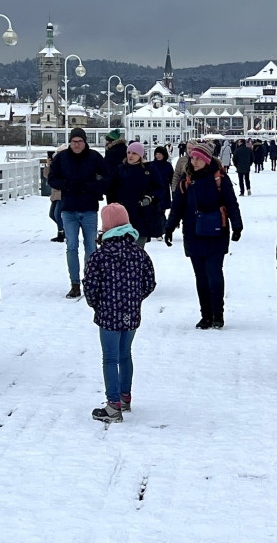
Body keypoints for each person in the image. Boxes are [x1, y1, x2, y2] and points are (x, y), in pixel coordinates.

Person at [84, 203, 156, 423]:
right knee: (125, 355)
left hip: (108, 315)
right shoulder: (139, 253)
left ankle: (113, 405)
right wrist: (135, 299)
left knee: (110, 358)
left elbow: (90, 286)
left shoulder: (100, 256)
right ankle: (125, 397)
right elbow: (149, 283)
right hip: (131, 313)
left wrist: (96, 304)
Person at [165, 140, 243, 329]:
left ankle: (218, 314)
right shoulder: (186, 180)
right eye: (192, 158)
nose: (194, 161)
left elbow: (231, 202)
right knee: (201, 277)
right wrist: (169, 227)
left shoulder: (219, 178)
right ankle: (206, 315)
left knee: (214, 275)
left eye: (198, 158)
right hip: (193, 232)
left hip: (217, 232)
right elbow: (177, 206)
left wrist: (237, 225)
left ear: (207, 159)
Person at [48, 127, 108, 298]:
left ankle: (90, 281)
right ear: (70, 142)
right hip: (69, 208)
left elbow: (106, 178)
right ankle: (74, 283)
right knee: (71, 246)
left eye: (80, 141)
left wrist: (91, 187)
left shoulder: (94, 157)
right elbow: (52, 178)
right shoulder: (61, 158)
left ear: (85, 141)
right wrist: (66, 184)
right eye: (74, 141)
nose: (76, 144)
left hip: (89, 208)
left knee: (91, 246)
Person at [106, 142, 165, 248]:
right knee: (122, 250)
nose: (130, 155)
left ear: (140, 155)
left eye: (134, 153)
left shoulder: (149, 169)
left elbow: (159, 188)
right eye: (129, 152)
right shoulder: (120, 169)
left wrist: (149, 198)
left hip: (142, 215)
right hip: (122, 216)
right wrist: (113, 206)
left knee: (137, 250)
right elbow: (110, 189)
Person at [43, 145, 67, 242]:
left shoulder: (66, 165)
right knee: (52, 214)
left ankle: (61, 233)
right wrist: (49, 165)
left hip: (62, 193)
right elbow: (47, 176)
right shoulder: (55, 165)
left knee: (57, 214)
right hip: (55, 193)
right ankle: (64, 229)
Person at [149, 146, 174, 225]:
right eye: (156, 154)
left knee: (161, 211)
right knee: (154, 211)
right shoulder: (151, 165)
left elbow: (172, 179)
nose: (158, 156)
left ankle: (162, 228)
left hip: (164, 191)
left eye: (159, 154)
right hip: (154, 191)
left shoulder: (168, 165)